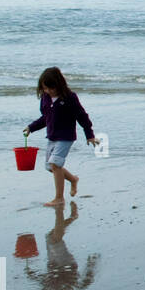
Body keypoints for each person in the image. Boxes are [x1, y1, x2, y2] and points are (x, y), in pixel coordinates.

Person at [25, 67, 98, 207]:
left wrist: (89, 135)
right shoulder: (45, 98)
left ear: (59, 84)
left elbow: (82, 116)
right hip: (52, 136)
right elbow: (45, 118)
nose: (48, 91)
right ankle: (73, 179)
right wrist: (31, 127)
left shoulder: (70, 97)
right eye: (45, 89)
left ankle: (59, 198)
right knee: (50, 166)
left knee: (55, 164)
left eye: (51, 89)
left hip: (66, 136)